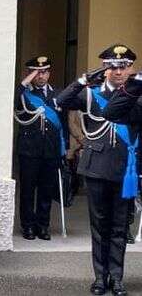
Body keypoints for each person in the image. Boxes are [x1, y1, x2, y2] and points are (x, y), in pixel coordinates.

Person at [57, 44, 139, 296]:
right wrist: (82, 80)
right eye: (112, 67)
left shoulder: (137, 94)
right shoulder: (91, 95)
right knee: (99, 226)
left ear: (131, 69)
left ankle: (117, 279)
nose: (118, 72)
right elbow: (61, 101)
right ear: (104, 69)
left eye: (123, 66)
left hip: (125, 170)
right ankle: (100, 278)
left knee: (119, 228)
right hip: (96, 168)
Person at [14, 56, 65, 241]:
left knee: (46, 191)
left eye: (44, 72)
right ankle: (27, 226)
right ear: (30, 74)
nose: (41, 76)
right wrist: (26, 80)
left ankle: (43, 226)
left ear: (49, 73)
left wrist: (65, 148)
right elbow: (11, 99)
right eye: (37, 72)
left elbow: (64, 123)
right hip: (29, 150)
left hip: (51, 150)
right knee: (28, 190)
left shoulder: (57, 94)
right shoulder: (23, 94)